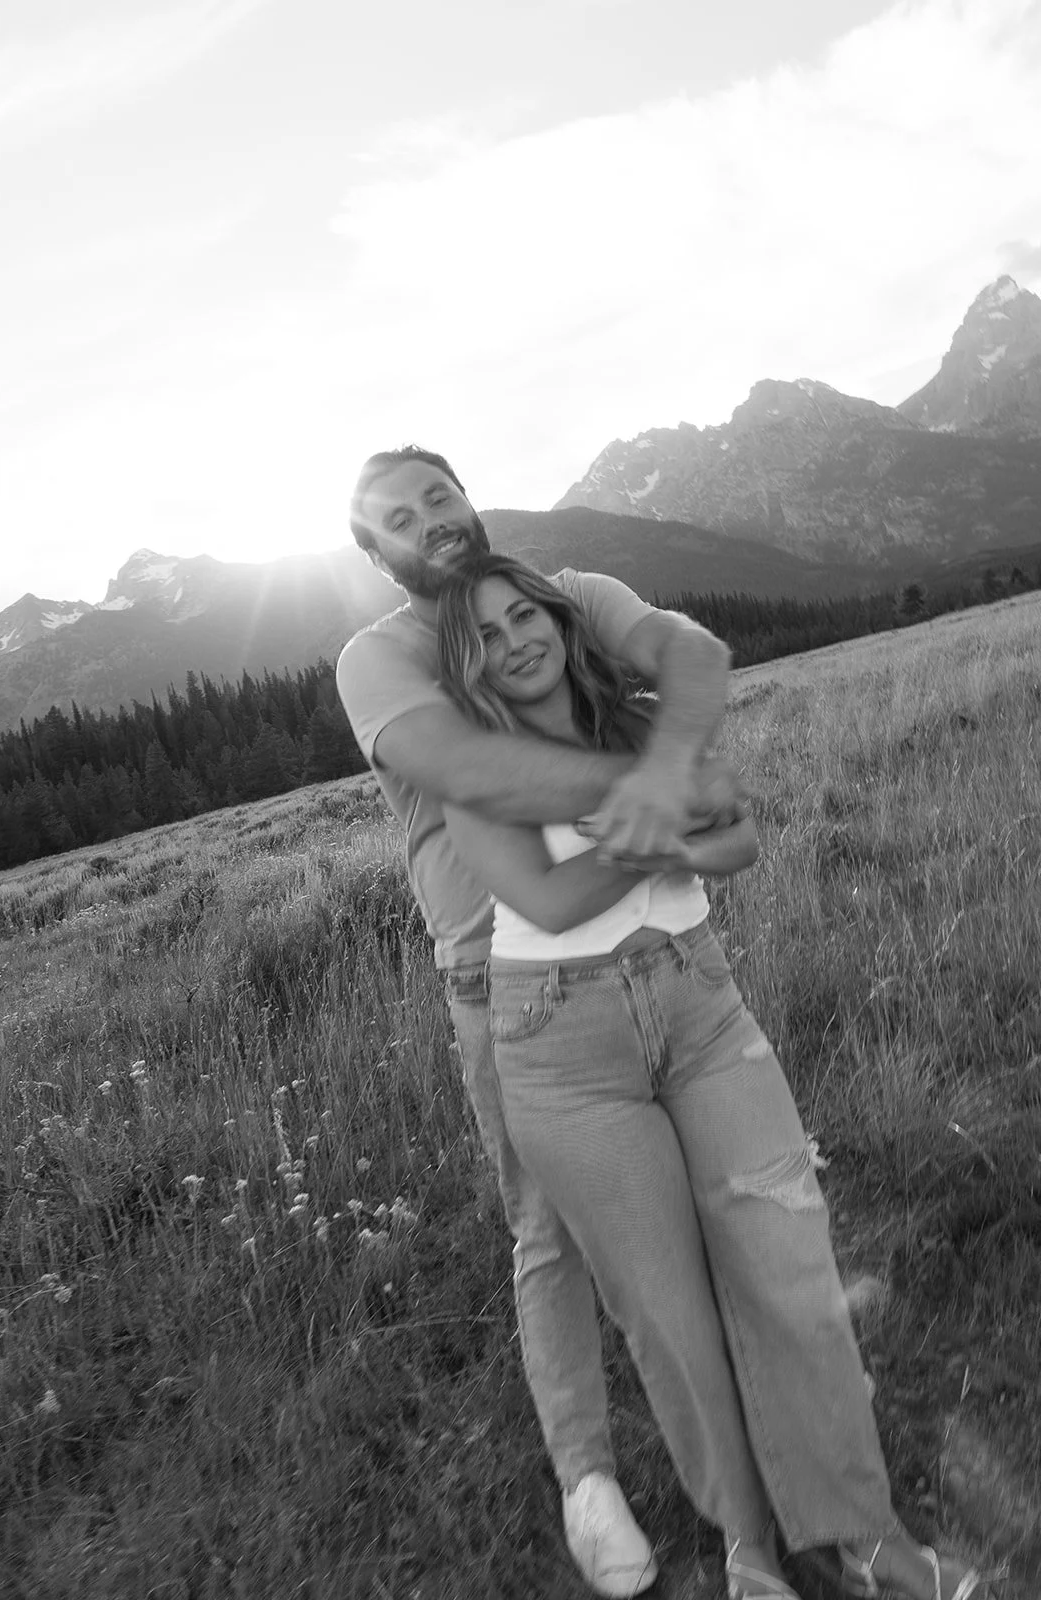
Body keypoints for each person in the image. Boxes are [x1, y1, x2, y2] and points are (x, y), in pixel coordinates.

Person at [432, 550, 990, 1600]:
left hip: (697, 1002)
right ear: (467, 669)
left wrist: (657, 831)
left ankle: (864, 1539)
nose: (513, 643)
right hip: (558, 1041)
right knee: (668, 1317)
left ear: (557, 617)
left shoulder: (645, 718)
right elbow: (544, 901)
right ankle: (747, 1546)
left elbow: (736, 838)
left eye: (523, 617)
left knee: (789, 1271)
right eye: (485, 639)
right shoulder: (475, 767)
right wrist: (662, 836)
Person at [337, 445, 748, 1597]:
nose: (428, 521)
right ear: (374, 554)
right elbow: (468, 768)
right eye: (396, 519)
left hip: (651, 936)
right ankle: (587, 1478)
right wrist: (660, 785)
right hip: (500, 978)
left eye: (437, 496)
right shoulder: (379, 656)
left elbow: (694, 657)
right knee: (549, 1229)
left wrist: (665, 766)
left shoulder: (564, 594)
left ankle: (775, 1374)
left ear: (466, 498)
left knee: (722, 1183)